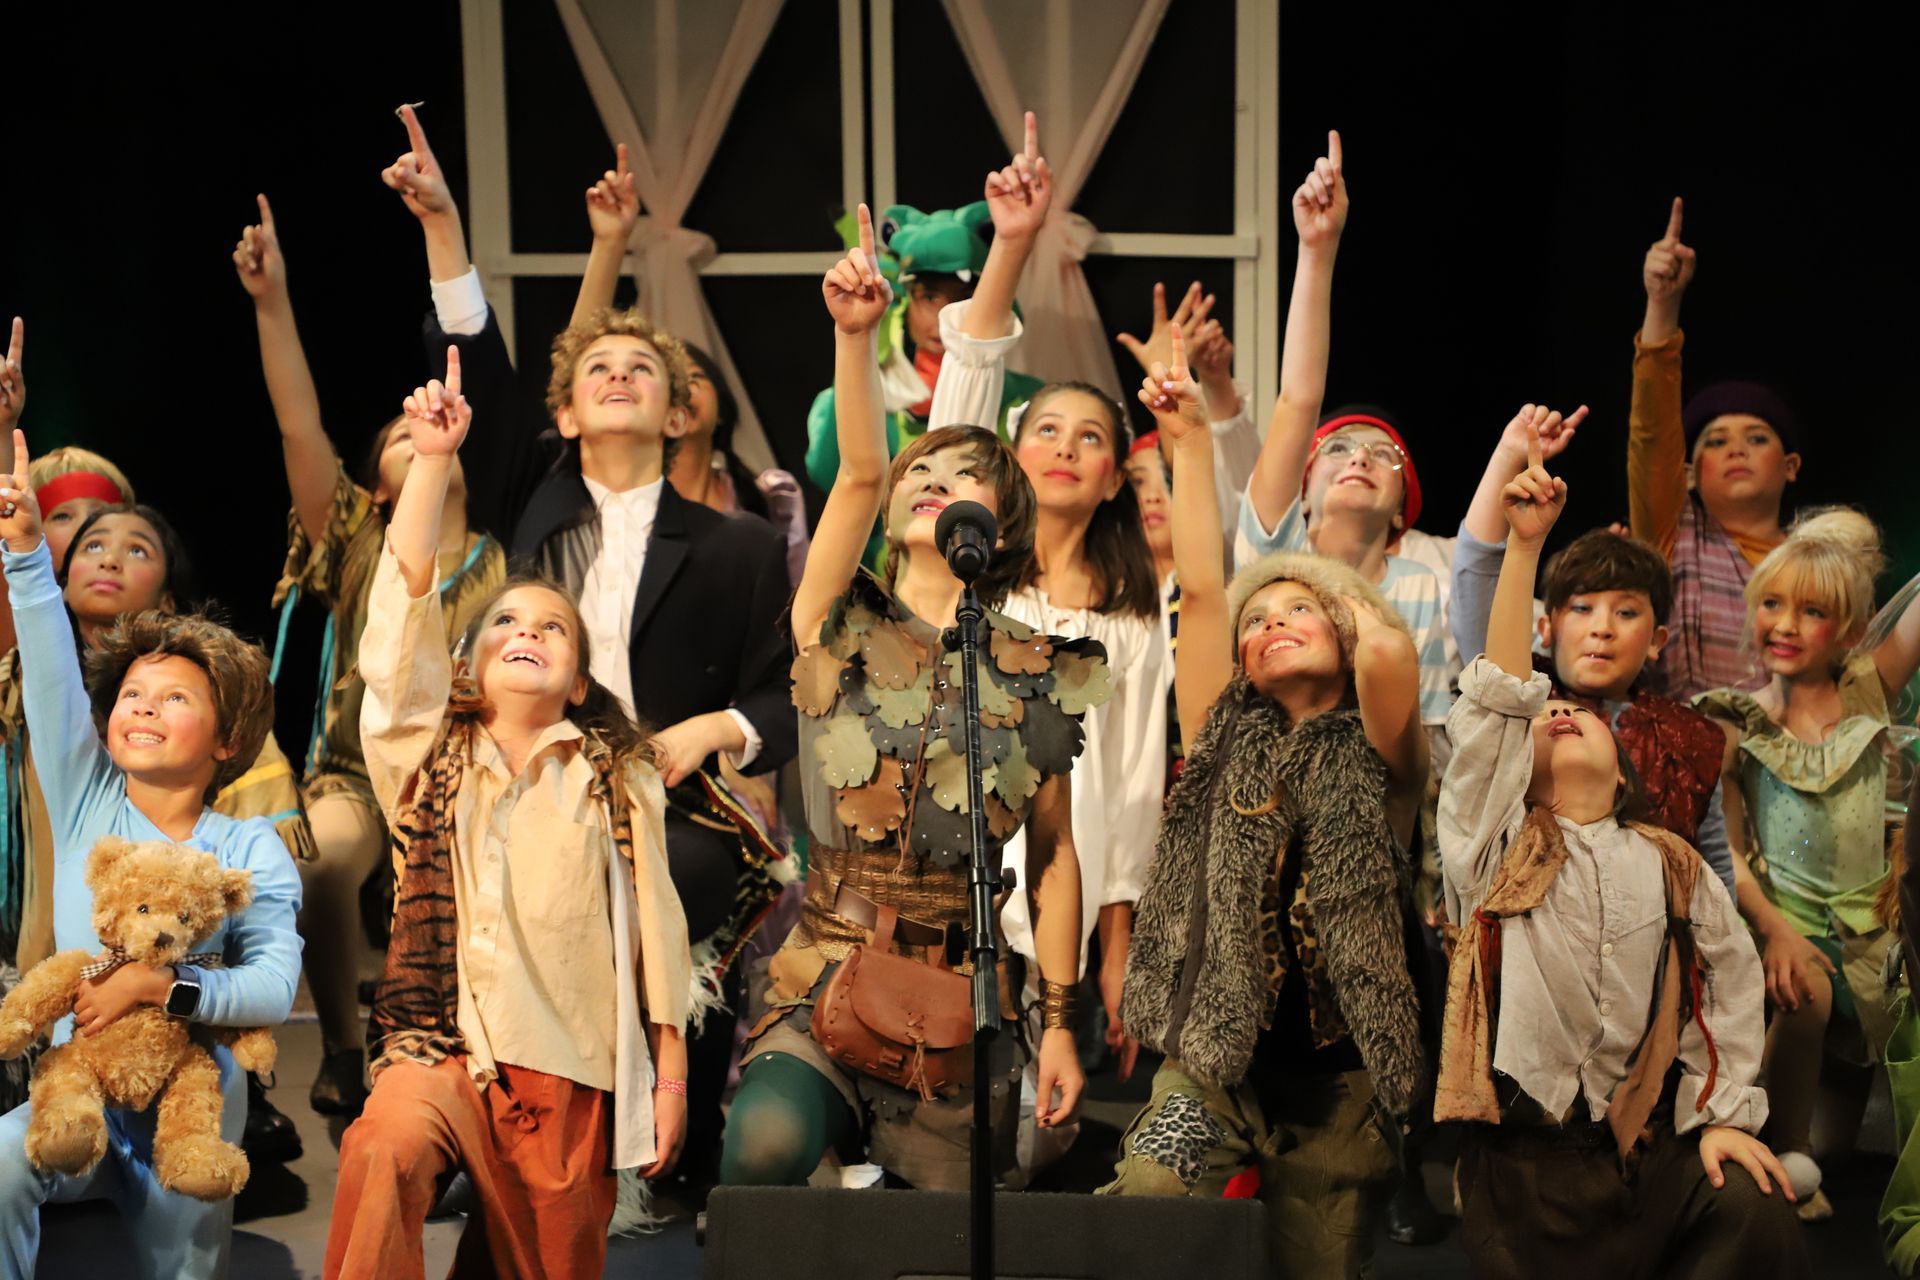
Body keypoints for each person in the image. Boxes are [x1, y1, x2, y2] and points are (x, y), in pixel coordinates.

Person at [393, 105, 796, 1190]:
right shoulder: (535, 494)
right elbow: (473, 350)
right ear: (564, 416)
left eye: (643, 369)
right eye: (597, 369)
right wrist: (442, 224)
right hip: (526, 776)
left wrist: (714, 727)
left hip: (667, 797)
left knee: (675, 887)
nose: (619, 375)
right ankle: (509, 1136)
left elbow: (786, 694)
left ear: (677, 415)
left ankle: (676, 1157)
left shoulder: (741, 546)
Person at [718, 203, 1104, 1192]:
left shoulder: (1037, 668)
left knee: (945, 1229)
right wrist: (854, 335)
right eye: (920, 470)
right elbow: (853, 470)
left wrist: (1060, 1023)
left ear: (1003, 512)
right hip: (827, 966)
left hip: (959, 994)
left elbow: (1056, 859)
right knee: (761, 1149)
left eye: (965, 470)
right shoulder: (835, 624)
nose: (935, 479)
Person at [322, 349, 691, 1279]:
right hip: (439, 1045)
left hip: (563, 1063)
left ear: (577, 678)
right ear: (470, 664)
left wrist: (671, 1069)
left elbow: (659, 931)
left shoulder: (614, 773)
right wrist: (437, 460)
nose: (525, 632)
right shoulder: (423, 753)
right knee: (381, 1151)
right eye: (505, 625)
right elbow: (399, 611)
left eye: (550, 628)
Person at [1435, 421, 1808, 1278]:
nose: (1561, 715)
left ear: (1628, 761)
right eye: (1545, 717)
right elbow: (1497, 702)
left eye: (1625, 614)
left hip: (1650, 1138)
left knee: (1755, 1217)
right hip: (1531, 1158)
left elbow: (1722, 979)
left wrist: (1720, 1113)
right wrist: (1524, 542)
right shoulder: (1496, 844)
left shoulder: (1666, 855)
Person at [1101, 308, 1425, 1279]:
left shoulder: (1382, 751)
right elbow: (1204, 591)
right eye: (1263, 620)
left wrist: (1324, 583)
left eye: (1300, 612)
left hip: (1340, 1088)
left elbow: (1392, 655)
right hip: (1214, 1069)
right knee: (1149, 1203)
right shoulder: (1221, 731)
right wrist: (1189, 441)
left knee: (1313, 1267)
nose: (1273, 622)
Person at [0, 429, 302, 1280]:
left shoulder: (248, 849)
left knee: (184, 1263)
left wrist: (156, 985)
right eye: (133, 694)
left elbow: (274, 987)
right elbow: (55, 669)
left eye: (174, 697)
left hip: (189, 1107)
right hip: (76, 1088)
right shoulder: (87, 793)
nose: (143, 707)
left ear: (229, 735)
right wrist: (25, 552)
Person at [233, 190, 507, 1118]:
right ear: (378, 488)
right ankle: (346, 1051)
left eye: (426, 430)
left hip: (478, 778)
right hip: (360, 772)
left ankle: (471, 1059)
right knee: (315, 864)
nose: (416, 433)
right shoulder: (355, 543)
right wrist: (273, 303)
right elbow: (297, 429)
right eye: (396, 436)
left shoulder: (511, 559)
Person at [924, 116, 1166, 1164]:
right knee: (960, 1143)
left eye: (1092, 437)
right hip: (956, 902)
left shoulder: (1132, 619)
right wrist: (1012, 247)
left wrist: (1118, 939)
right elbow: (957, 409)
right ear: (1009, 462)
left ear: (1116, 474)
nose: (1066, 448)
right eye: (1045, 431)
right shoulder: (972, 592)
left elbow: (1131, 781)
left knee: (1044, 1153)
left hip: (1072, 924)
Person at [1696, 508, 1920, 1220]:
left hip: (1867, 913)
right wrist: (1777, 932)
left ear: (1850, 631)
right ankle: (1788, 1146)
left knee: (1900, 1004)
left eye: (1812, 611)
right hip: (1783, 914)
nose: (1786, 624)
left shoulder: (1867, 689)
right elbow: (1729, 850)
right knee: (1805, 992)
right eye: (1772, 604)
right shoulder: (1737, 718)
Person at [1450, 403, 1737, 899]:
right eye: (1582, 609)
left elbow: (1713, 874)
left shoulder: (1694, 736)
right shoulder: (1517, 703)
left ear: (1656, 641)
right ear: (1546, 626)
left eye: (1626, 613)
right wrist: (1509, 456)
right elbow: (1476, 582)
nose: (1602, 629)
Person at [1630, 197, 1803, 701]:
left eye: (1757, 438)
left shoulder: (1823, 563)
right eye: (1716, 441)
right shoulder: (1674, 537)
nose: (1736, 451)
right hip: (1683, 771)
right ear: (1687, 474)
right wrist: (1662, 305)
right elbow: (1652, 436)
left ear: (1791, 466)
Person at [669, 341, 810, 586]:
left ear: (721, 408)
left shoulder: (771, 498)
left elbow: (801, 592)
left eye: (694, 377)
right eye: (673, 382)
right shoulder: (635, 507)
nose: (684, 390)